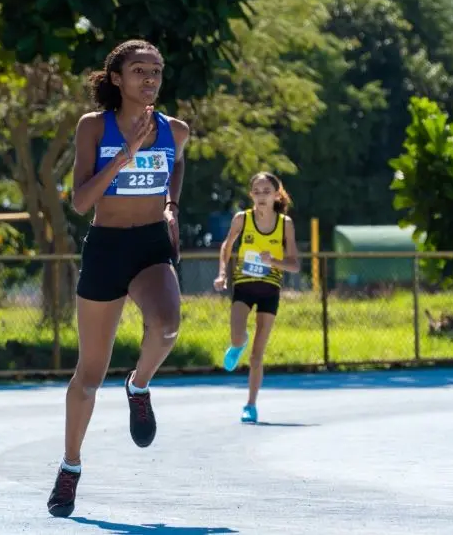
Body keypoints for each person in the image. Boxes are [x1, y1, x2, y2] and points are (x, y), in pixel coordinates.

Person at [47, 39, 190, 518]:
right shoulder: (94, 127)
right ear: (116, 79)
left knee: (168, 325)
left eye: (156, 71)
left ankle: (139, 386)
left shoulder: (177, 130)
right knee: (89, 376)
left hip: (150, 245)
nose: (149, 79)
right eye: (139, 71)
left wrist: (171, 206)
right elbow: (81, 202)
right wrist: (123, 155)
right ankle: (70, 467)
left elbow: (177, 165)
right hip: (107, 248)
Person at [213, 172, 299, 424]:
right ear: (251, 196)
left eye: (266, 192)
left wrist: (274, 261)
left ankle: (250, 405)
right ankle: (239, 342)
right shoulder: (242, 219)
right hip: (244, 286)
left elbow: (294, 264)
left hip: (270, 289)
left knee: (257, 355)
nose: (261, 197)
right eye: (257, 192)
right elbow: (226, 247)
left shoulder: (285, 224)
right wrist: (222, 274)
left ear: (276, 195)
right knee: (237, 337)